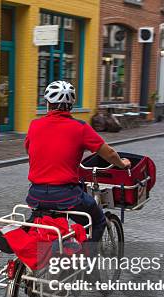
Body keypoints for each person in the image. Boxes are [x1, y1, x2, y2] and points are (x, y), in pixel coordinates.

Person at [25, 80, 131, 243]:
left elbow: (29, 151)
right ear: (70, 106)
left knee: (39, 224)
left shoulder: (34, 125)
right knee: (98, 221)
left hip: (36, 195)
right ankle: (89, 263)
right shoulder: (80, 127)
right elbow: (109, 153)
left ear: (48, 104)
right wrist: (122, 164)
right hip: (66, 196)